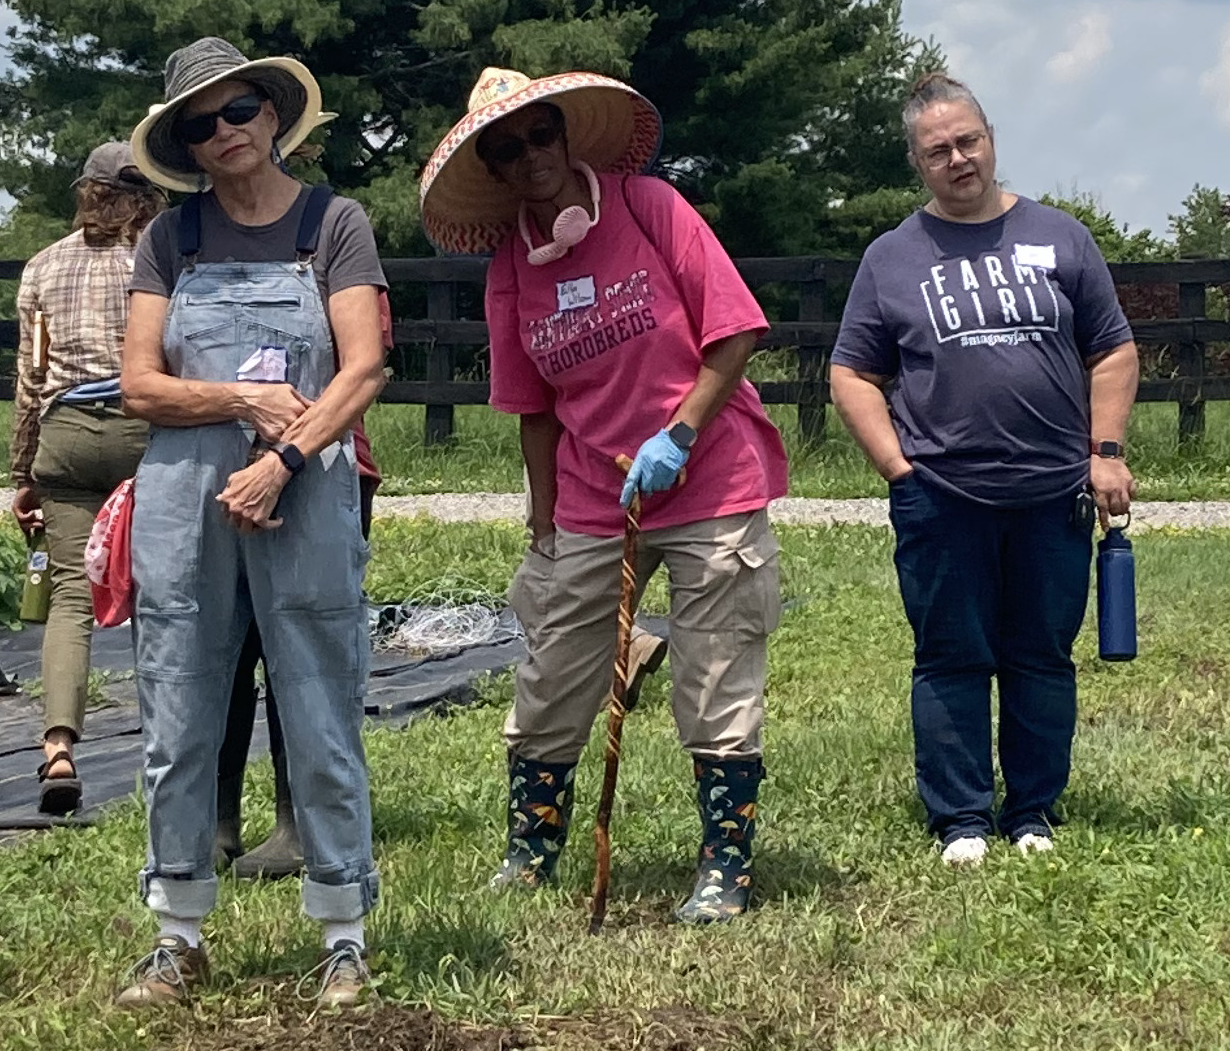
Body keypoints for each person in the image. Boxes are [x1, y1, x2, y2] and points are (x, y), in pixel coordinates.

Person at [419, 63, 786, 918]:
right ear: (497, 171)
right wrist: (542, 527)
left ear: (566, 133)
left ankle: (725, 867)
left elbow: (735, 333)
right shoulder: (511, 264)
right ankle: (531, 850)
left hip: (708, 480)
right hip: (594, 496)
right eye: (507, 150)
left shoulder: (650, 208)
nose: (530, 157)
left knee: (715, 679)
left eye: (541, 134)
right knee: (550, 678)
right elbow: (532, 409)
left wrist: (680, 434)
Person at [113, 37, 389, 1008]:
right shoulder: (169, 240)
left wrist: (282, 459)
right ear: (184, 144)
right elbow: (140, 383)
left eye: (238, 112)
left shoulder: (334, 225)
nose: (223, 132)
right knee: (178, 710)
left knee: (319, 702)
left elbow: (361, 370)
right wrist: (234, 398)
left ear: (272, 115)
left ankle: (343, 932)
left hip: (305, 483)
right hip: (183, 494)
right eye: (200, 123)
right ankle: (178, 931)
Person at [826, 78, 1136, 864]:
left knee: (1040, 654)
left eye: (968, 141)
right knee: (951, 656)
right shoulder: (891, 257)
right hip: (941, 495)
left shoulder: (1062, 237)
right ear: (917, 163)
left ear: (991, 138)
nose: (958, 159)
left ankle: (1033, 811)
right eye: (938, 151)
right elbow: (851, 373)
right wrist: (899, 470)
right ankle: (961, 818)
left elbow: (1113, 349)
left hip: (1052, 492)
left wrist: (1106, 454)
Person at [9, 142, 156, 814]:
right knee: (161, 589)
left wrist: (22, 472)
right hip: (140, 428)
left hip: (65, 435)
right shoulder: (156, 260)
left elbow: (28, 379)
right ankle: (166, 741)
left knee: (71, 599)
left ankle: (59, 748)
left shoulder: (42, 267)